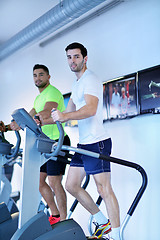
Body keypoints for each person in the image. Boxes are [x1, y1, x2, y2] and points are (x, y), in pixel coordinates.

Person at [50, 42, 120, 239]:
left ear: (85, 58)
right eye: (69, 57)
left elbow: (90, 109)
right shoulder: (77, 83)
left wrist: (64, 117)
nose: (72, 61)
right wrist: (52, 127)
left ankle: (116, 234)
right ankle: (101, 221)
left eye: (76, 56)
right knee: (71, 185)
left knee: (103, 189)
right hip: (83, 143)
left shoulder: (91, 79)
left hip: (97, 141)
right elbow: (68, 111)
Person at [0, 64, 70, 225]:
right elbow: (25, 118)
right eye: (35, 75)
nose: (37, 78)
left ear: (48, 77)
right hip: (43, 144)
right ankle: (55, 213)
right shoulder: (38, 97)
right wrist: (8, 127)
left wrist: (39, 117)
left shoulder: (52, 92)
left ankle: (64, 219)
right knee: (38, 182)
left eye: (41, 75)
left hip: (56, 142)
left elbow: (47, 110)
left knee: (54, 181)